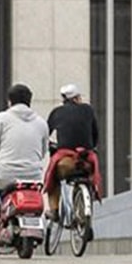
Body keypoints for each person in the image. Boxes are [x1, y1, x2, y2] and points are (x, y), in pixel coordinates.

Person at [0, 83, 48, 232]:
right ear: (29, 102)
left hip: (5, 176)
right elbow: (43, 151)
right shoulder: (41, 123)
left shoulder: (1, 118)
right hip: (34, 178)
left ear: (9, 101)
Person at [43, 83, 102, 219]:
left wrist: (50, 145)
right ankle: (86, 209)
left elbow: (46, 133)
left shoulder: (57, 112)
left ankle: (54, 210)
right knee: (89, 177)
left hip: (66, 162)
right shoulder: (88, 110)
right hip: (86, 160)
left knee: (53, 179)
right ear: (76, 99)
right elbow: (95, 134)